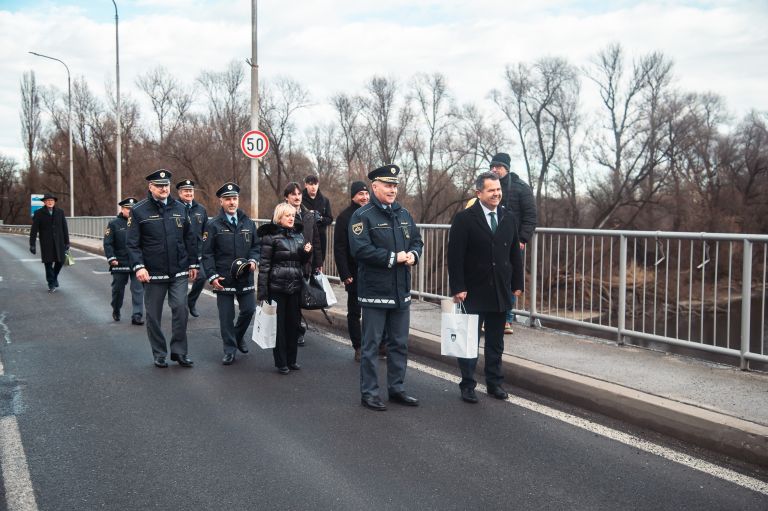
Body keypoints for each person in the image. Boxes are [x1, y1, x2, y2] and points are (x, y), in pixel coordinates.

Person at [349, 164, 423, 411]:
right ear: (375, 187)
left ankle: (397, 388)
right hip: (375, 291)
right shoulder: (362, 215)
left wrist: (413, 254)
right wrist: (394, 257)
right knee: (371, 345)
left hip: (401, 291)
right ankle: (369, 393)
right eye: (388, 185)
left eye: (395, 185)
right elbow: (360, 249)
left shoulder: (403, 214)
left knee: (400, 343)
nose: (392, 189)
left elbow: (417, 241)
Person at [447, 171, 524, 403]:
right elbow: (455, 256)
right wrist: (458, 287)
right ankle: (468, 384)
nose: (496, 194)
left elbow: (514, 254)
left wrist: (517, 284)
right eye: (491, 190)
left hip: (500, 290)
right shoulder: (464, 219)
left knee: (495, 341)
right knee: (469, 340)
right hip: (473, 289)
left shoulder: (508, 217)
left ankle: (494, 383)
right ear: (479, 193)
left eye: (499, 190)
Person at [127, 169, 199, 369]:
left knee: (180, 309)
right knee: (153, 315)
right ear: (150, 187)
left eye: (166, 185)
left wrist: (193, 263)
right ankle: (159, 353)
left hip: (179, 271)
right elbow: (132, 244)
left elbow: (190, 238)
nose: (164, 189)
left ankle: (179, 352)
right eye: (159, 186)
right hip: (152, 273)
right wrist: (139, 267)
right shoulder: (139, 210)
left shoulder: (180, 208)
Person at [202, 182, 260, 365]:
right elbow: (207, 253)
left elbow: (256, 246)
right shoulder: (212, 225)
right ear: (221, 201)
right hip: (223, 277)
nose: (232, 202)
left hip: (245, 277)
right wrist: (212, 276)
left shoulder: (248, 222)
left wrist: (253, 260)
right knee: (226, 317)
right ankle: (229, 349)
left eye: (234, 199)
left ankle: (236, 336)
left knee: (249, 309)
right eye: (228, 199)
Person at [256, 203, 313, 374]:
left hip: (294, 287)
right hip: (277, 287)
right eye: (287, 215)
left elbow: (300, 262)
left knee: (293, 325)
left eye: (293, 215)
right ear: (279, 217)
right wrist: (263, 292)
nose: (291, 218)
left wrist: (306, 253)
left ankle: (292, 360)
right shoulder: (270, 237)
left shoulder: (298, 236)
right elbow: (264, 266)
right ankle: (281, 362)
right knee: (279, 327)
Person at [489, 152, 537, 334]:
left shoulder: (521, 188)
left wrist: (522, 239)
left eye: (498, 167)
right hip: (489, 241)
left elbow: (531, 217)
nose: (494, 170)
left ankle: (506, 319)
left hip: (512, 243)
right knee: (490, 278)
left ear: (506, 168)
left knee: (508, 280)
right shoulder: (487, 186)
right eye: (492, 167)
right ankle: (491, 316)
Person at [333, 181, 369, 361]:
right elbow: (339, 248)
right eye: (360, 194)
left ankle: (380, 344)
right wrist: (345, 273)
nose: (364, 197)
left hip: (372, 272)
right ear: (353, 196)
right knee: (355, 311)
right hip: (353, 273)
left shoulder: (373, 214)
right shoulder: (344, 217)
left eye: (366, 193)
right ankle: (358, 346)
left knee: (375, 309)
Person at [283, 181, 323, 346]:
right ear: (287, 197)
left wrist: (318, 262)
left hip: (306, 261)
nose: (297, 197)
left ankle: (297, 329)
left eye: (299, 194)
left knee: (299, 298)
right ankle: (293, 330)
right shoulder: (282, 213)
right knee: (290, 299)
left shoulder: (308, 215)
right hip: (288, 261)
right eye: (293, 194)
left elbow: (315, 239)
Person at [103, 197, 144, 325]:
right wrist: (111, 258)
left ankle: (137, 315)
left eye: (133, 209)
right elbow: (108, 243)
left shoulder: (141, 222)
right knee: (118, 290)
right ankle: (116, 308)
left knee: (138, 289)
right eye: (128, 208)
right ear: (122, 209)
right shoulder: (114, 224)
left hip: (136, 262)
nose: (130, 211)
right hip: (119, 262)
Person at [176, 179, 208, 318]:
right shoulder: (175, 208)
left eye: (190, 190)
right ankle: (180, 308)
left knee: (202, 277)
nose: (188, 193)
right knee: (179, 282)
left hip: (198, 252)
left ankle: (191, 301)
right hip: (180, 253)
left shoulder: (201, 209)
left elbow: (206, 231)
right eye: (185, 191)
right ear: (179, 192)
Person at [29, 193, 70, 293]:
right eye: (47, 201)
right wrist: (32, 244)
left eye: (51, 200)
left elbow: (64, 227)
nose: (50, 202)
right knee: (48, 263)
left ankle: (54, 277)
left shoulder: (60, 212)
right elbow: (34, 229)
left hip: (59, 241)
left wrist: (67, 241)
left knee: (60, 261)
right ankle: (51, 284)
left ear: (54, 202)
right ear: (44, 202)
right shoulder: (39, 213)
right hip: (46, 243)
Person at [301, 174, 333, 256]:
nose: (313, 187)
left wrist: (321, 218)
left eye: (315, 184)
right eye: (311, 184)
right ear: (306, 185)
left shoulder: (325, 200)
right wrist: (307, 216)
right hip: (304, 235)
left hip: (320, 236)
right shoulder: (300, 199)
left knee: (319, 263)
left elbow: (330, 219)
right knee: (305, 261)